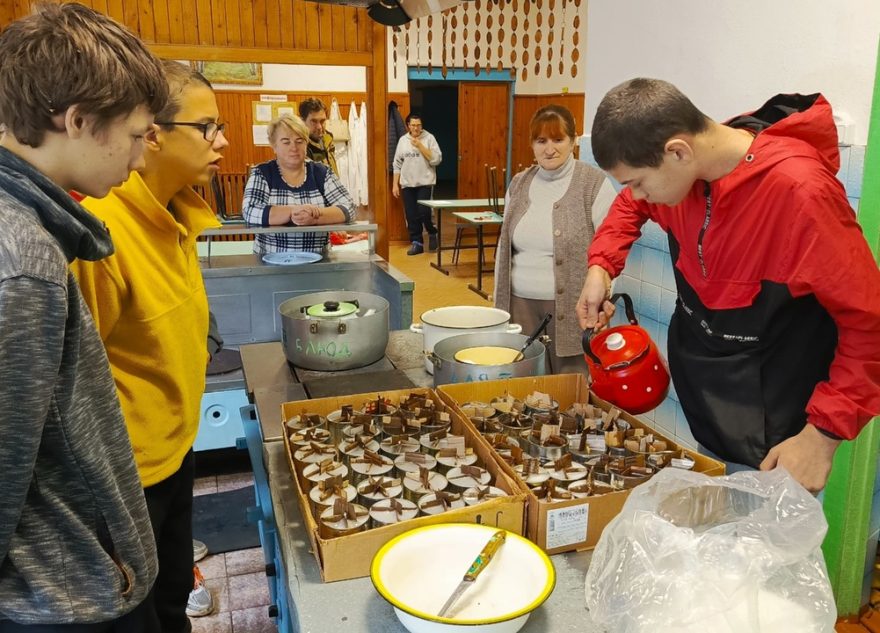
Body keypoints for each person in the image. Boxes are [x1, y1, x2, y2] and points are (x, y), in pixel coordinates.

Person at [577, 78, 880, 493]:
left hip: (778, 431)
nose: (636, 194)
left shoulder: (801, 195)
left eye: (637, 180)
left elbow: (870, 326)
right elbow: (632, 206)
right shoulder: (684, 169)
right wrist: (601, 267)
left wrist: (822, 437)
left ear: (678, 151)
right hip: (710, 397)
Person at [0, 4, 168, 631]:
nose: (141, 157)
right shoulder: (24, 261)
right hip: (58, 598)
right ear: (79, 122)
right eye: (134, 135)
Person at [71, 60, 230, 631]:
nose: (223, 140)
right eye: (208, 127)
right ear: (154, 132)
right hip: (123, 480)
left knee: (172, 600)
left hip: (175, 450)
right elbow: (65, 387)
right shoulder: (100, 233)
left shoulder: (180, 211)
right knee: (138, 617)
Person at [494, 105, 616, 375]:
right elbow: (504, 249)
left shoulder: (593, 184)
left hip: (573, 311)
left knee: (571, 392)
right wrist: (498, 308)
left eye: (558, 139)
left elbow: (611, 246)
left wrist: (603, 304)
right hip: (519, 306)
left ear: (573, 141)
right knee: (525, 388)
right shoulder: (519, 183)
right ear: (532, 145)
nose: (549, 149)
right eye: (541, 141)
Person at [242, 113, 355, 254]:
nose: (294, 147)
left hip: (318, 262)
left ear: (306, 143)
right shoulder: (262, 173)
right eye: (286, 141)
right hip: (270, 264)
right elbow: (250, 210)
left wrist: (315, 215)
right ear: (274, 145)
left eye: (299, 141)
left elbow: (349, 207)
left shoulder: (322, 172)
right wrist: (293, 211)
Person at [392, 113, 442, 255]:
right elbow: (397, 164)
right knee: (411, 215)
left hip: (425, 183)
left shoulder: (429, 138)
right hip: (407, 184)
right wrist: (395, 184)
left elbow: (436, 160)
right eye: (413, 125)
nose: (416, 128)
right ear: (408, 125)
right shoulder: (403, 140)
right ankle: (417, 242)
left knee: (424, 212)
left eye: (418, 125)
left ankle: (432, 232)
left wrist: (420, 145)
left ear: (422, 125)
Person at [299, 97, 339, 175]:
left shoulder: (328, 139)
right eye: (314, 121)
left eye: (322, 121)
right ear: (302, 121)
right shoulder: (299, 148)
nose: (319, 127)